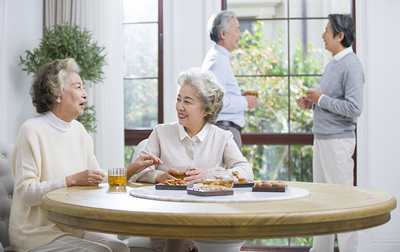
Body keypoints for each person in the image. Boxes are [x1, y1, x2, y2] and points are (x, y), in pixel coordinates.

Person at [9, 58, 162, 252]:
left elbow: (96, 177)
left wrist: (130, 170)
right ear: (57, 94)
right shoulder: (31, 130)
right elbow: (26, 193)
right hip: (35, 233)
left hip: (71, 227)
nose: (85, 94)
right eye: (78, 87)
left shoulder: (79, 131)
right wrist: (71, 180)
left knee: (120, 247)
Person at [130, 67, 254, 252]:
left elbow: (245, 171)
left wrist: (212, 176)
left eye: (187, 101)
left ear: (206, 109)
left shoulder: (222, 137)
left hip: (206, 216)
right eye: (179, 99)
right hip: (166, 217)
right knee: (177, 241)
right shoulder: (161, 132)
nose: (179, 106)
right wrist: (160, 177)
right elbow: (137, 171)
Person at [296, 14, 364, 252]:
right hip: (323, 139)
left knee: (344, 203)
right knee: (322, 201)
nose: (323, 35)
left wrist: (321, 98)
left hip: (338, 142)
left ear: (340, 36)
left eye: (326, 30)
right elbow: (332, 102)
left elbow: (355, 108)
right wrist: (312, 103)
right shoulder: (333, 62)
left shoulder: (351, 65)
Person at [202, 10, 259, 149]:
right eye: (237, 30)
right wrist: (244, 102)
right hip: (224, 130)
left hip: (224, 130)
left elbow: (217, 96)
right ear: (223, 34)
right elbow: (212, 101)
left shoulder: (220, 58)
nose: (240, 35)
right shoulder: (218, 61)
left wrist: (239, 98)